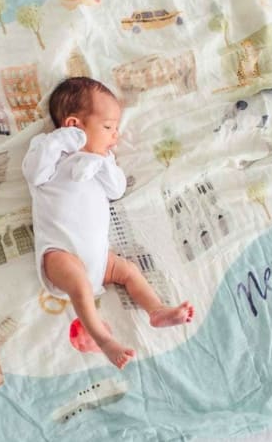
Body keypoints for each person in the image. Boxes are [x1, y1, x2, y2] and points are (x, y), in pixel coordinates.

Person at [22, 77, 194, 370]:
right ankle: (102, 337)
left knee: (128, 271)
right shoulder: (48, 150)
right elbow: (34, 173)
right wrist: (62, 141)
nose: (115, 135)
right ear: (74, 125)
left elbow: (117, 190)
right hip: (59, 253)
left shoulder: (104, 161)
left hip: (101, 260)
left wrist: (99, 161)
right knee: (77, 280)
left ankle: (156, 310)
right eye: (108, 127)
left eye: (115, 129)